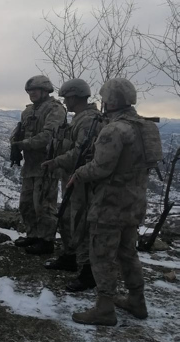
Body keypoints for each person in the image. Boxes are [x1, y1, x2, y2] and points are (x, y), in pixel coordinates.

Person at [68, 78, 161, 326]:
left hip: (110, 203)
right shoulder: (147, 127)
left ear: (111, 100)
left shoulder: (114, 130)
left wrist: (78, 174)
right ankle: (137, 300)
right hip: (135, 200)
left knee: (101, 256)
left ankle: (105, 308)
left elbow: (100, 168)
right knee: (128, 253)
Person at [42, 79, 102, 291]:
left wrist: (55, 162)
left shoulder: (88, 121)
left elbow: (81, 152)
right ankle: (70, 257)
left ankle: (88, 272)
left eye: (67, 97)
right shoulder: (78, 119)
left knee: (81, 223)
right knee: (67, 219)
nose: (65, 101)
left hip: (82, 182)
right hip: (70, 178)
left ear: (75, 97)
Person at [11, 75, 66, 255]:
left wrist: (22, 145)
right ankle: (33, 234)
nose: (31, 94)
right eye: (29, 91)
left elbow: (48, 136)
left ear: (45, 90)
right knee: (26, 204)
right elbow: (19, 131)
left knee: (43, 205)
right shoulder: (28, 112)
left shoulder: (55, 109)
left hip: (47, 164)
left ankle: (46, 240)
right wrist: (15, 143)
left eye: (35, 90)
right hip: (31, 165)